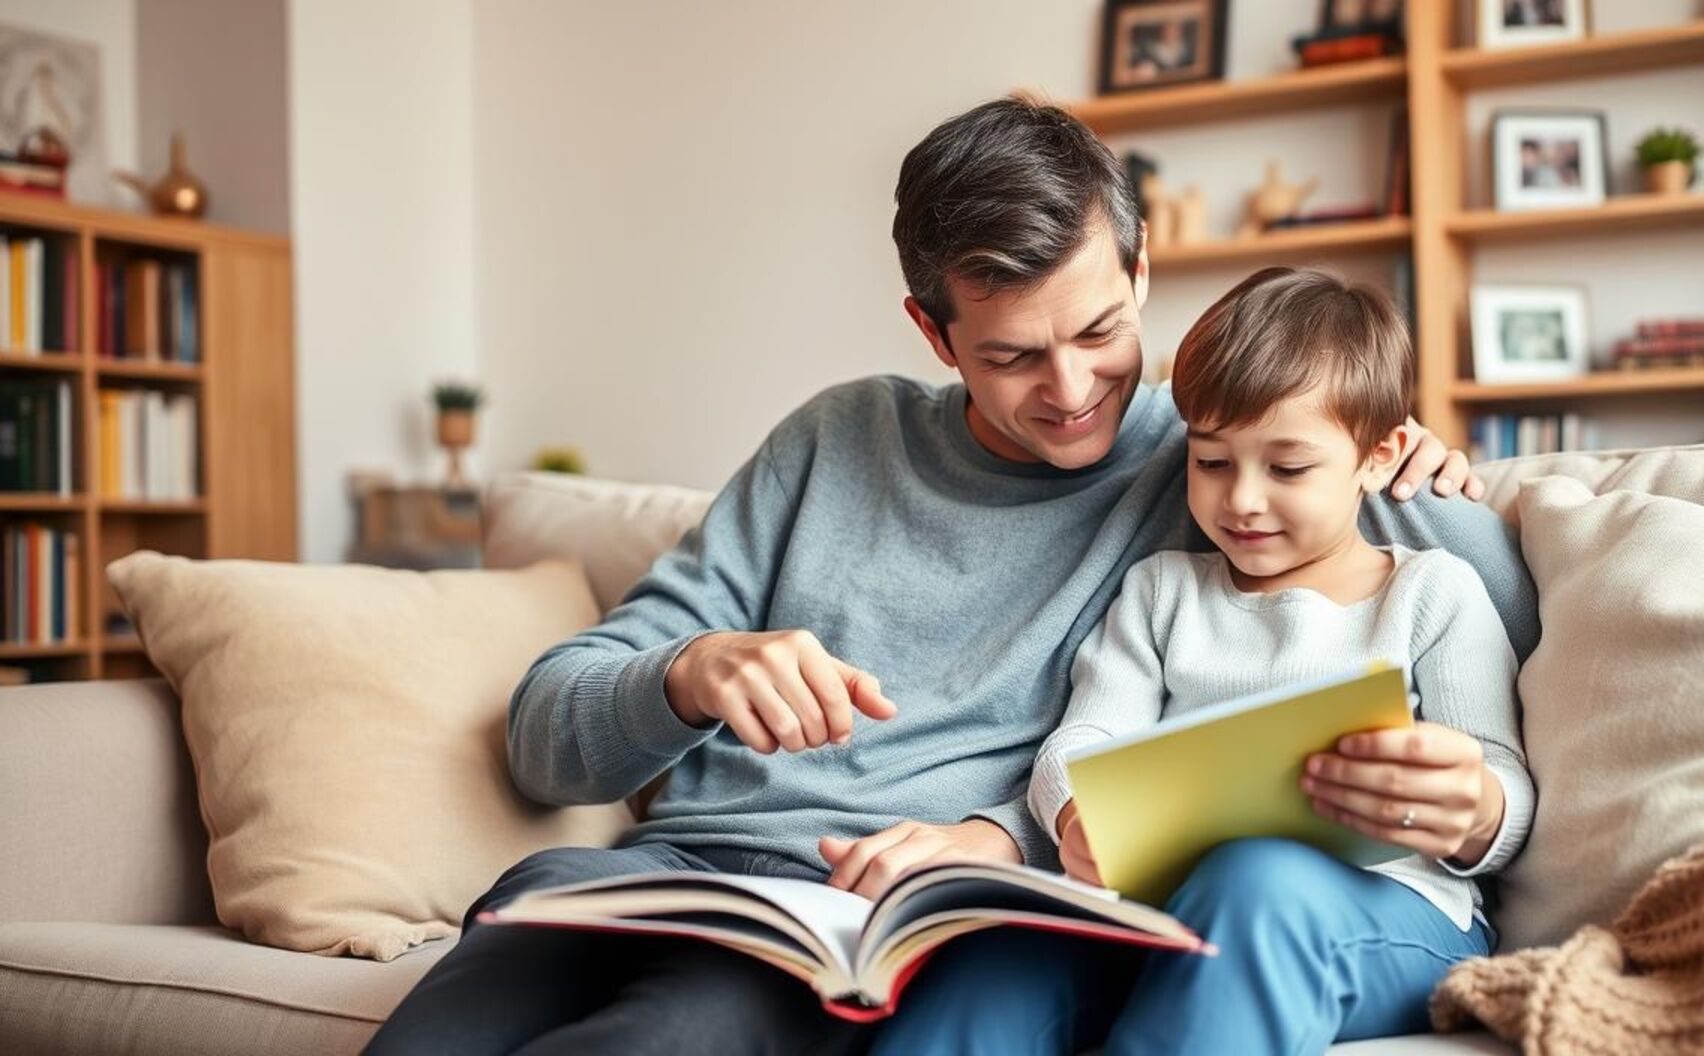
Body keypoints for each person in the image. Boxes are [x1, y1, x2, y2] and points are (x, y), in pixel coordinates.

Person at [364, 95, 1535, 1056]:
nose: (1072, 391)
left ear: (1141, 268)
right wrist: (688, 670)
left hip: (873, 926)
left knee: (666, 1038)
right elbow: (542, 737)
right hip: (672, 875)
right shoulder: (835, 440)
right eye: (1012, 356)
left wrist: (1428, 468)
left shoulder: (1213, 462)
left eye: (1098, 334)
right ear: (933, 333)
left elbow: (1445, 592)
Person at [870, 266, 1532, 1055]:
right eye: (1212, 462)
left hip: (1396, 914)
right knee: (1001, 958)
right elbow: (1079, 743)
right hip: (1170, 906)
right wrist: (1078, 814)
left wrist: (1476, 810)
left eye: (1287, 469)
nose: (1242, 499)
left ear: (1377, 455)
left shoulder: (1430, 593)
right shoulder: (1162, 592)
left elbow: (1504, 784)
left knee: (1255, 883)